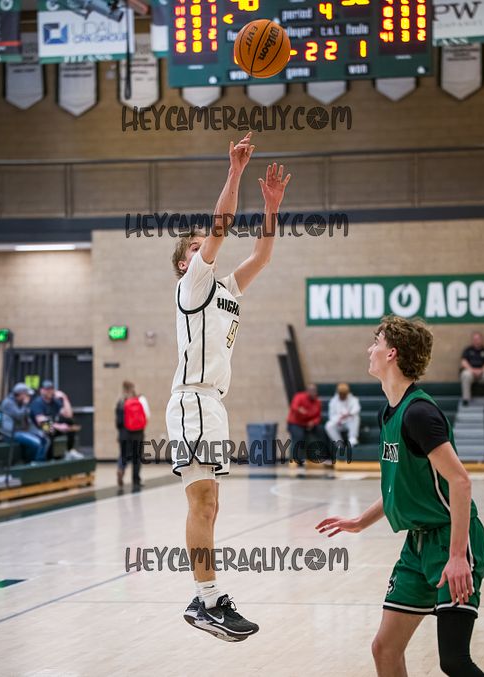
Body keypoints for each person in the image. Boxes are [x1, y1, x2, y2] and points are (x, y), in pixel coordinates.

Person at [165, 131, 291, 642]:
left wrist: (272, 208)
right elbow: (220, 225)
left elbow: (262, 256)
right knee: (201, 504)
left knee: (210, 505)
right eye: (197, 248)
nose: (208, 249)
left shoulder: (226, 288)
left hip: (212, 404)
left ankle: (208, 597)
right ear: (185, 262)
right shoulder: (193, 283)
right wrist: (235, 172)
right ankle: (207, 599)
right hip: (192, 399)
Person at [316, 315, 484, 677]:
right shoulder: (389, 412)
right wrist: (360, 521)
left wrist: (458, 556)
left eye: (376, 342)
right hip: (417, 546)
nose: (370, 349)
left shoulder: (419, 414)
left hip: (451, 540)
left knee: (454, 661)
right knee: (385, 649)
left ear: (392, 353)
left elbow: (460, 482)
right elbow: (403, 486)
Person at [30, 380, 83, 460]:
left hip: (53, 426)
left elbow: (69, 415)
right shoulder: (37, 402)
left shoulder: (55, 401)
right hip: (38, 428)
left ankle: (70, 451)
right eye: (47, 389)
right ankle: (49, 458)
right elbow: (41, 421)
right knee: (49, 429)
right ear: (42, 391)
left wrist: (64, 398)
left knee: (70, 421)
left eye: (51, 389)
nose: (50, 391)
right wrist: (59, 426)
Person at [1, 383, 49, 462]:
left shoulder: (23, 403)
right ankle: (33, 463)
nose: (28, 397)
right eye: (27, 394)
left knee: (44, 438)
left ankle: (40, 462)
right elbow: (19, 416)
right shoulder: (8, 402)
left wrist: (40, 430)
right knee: (37, 442)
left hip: (24, 430)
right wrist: (25, 404)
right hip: (12, 432)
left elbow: (30, 420)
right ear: (21, 394)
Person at [115, 380, 150, 489]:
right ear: (132, 389)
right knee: (137, 457)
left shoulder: (120, 402)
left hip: (123, 434)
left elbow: (118, 422)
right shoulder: (138, 400)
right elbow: (147, 415)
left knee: (123, 454)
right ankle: (136, 480)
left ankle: (121, 469)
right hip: (137, 433)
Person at [287, 383, 331, 466]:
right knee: (299, 436)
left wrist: (313, 422)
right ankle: (296, 459)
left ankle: (325, 457)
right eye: (311, 390)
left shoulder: (317, 402)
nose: (313, 392)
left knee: (322, 431)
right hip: (296, 423)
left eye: (314, 390)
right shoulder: (299, 397)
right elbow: (294, 407)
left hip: (309, 424)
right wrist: (299, 410)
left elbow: (318, 417)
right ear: (307, 391)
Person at [325, 382, 361, 448]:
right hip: (338, 422)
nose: (342, 395)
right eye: (341, 394)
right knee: (328, 425)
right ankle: (339, 443)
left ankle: (352, 438)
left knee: (355, 417)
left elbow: (357, 409)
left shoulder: (353, 399)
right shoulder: (333, 401)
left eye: (344, 394)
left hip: (349, 422)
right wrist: (339, 418)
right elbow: (331, 416)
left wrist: (349, 414)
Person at [460, 332, 484, 405]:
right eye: (474, 339)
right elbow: (463, 362)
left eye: (478, 339)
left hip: (482, 373)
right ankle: (466, 399)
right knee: (465, 374)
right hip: (470, 373)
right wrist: (472, 370)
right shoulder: (468, 350)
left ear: (481, 339)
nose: (476, 340)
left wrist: (481, 370)